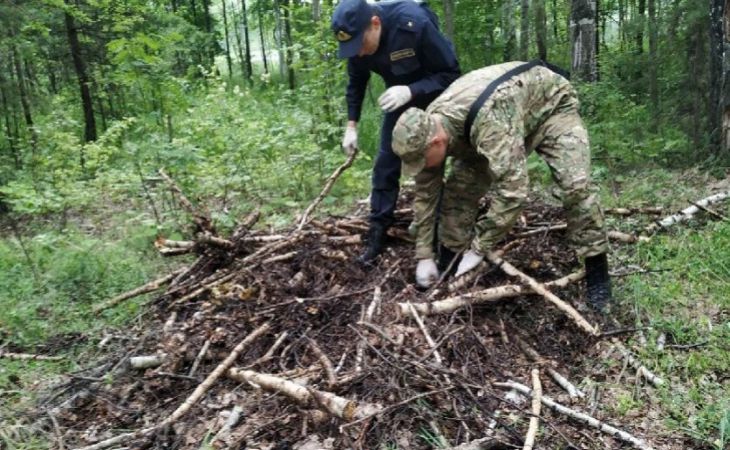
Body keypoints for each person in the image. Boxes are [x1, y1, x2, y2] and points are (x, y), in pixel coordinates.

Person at [391, 61, 613, 311]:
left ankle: (598, 277)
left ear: (436, 142)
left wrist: (478, 248)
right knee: (457, 193)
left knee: (576, 186)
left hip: (551, 109)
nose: (420, 166)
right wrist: (424, 254)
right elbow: (425, 193)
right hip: (497, 123)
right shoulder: (428, 125)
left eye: (421, 159)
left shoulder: (489, 120)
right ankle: (447, 268)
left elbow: (513, 192)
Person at [331, 0, 460, 264]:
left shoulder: (414, 24)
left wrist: (412, 90)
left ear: (375, 24)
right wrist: (351, 126)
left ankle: (440, 231)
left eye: (361, 45)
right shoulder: (357, 43)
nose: (360, 53)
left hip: (437, 95)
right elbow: (356, 83)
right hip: (397, 98)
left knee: (432, 163)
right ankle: (378, 232)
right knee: (385, 163)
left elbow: (451, 73)